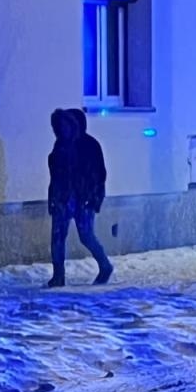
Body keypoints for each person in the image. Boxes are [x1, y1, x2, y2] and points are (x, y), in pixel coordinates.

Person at [46, 108, 113, 287]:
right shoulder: (60, 145)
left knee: (86, 235)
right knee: (57, 237)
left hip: (84, 198)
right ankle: (58, 276)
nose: (61, 129)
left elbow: (99, 175)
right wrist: (52, 199)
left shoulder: (90, 145)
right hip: (63, 198)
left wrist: (94, 198)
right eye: (59, 126)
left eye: (65, 125)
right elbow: (56, 175)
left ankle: (105, 266)